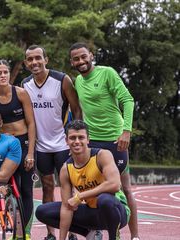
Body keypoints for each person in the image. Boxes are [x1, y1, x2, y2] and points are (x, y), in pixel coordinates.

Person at [69, 42, 139, 240]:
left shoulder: (107, 73)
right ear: (72, 62)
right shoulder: (78, 82)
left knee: (123, 187)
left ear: (91, 55)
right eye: (76, 59)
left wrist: (126, 131)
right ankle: (96, 230)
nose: (81, 61)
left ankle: (135, 236)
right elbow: (80, 112)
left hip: (116, 139)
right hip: (93, 141)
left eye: (84, 56)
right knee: (88, 187)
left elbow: (128, 99)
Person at [22, 45, 82, 240]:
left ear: (46, 59)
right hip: (41, 146)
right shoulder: (25, 84)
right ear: (26, 63)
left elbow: (76, 108)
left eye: (38, 58)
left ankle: (73, 231)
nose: (34, 62)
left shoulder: (62, 80)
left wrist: (74, 137)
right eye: (30, 59)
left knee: (69, 187)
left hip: (63, 144)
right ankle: (51, 233)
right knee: (47, 187)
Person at [35, 120, 129, 240]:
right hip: (92, 212)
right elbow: (66, 207)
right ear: (66, 140)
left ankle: (113, 237)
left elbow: (115, 184)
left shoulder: (102, 155)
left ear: (88, 140)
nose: (77, 141)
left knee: (105, 200)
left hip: (117, 211)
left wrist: (80, 196)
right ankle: (89, 233)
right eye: (73, 138)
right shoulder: (66, 169)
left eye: (81, 137)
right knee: (43, 211)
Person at [0, 59, 36, 240]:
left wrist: (30, 153)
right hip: (5, 148)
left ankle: (26, 232)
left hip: (24, 144)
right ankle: (13, 226)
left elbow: (31, 123)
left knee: (27, 190)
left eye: (5, 72)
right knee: (11, 189)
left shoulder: (21, 93)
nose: (3, 76)